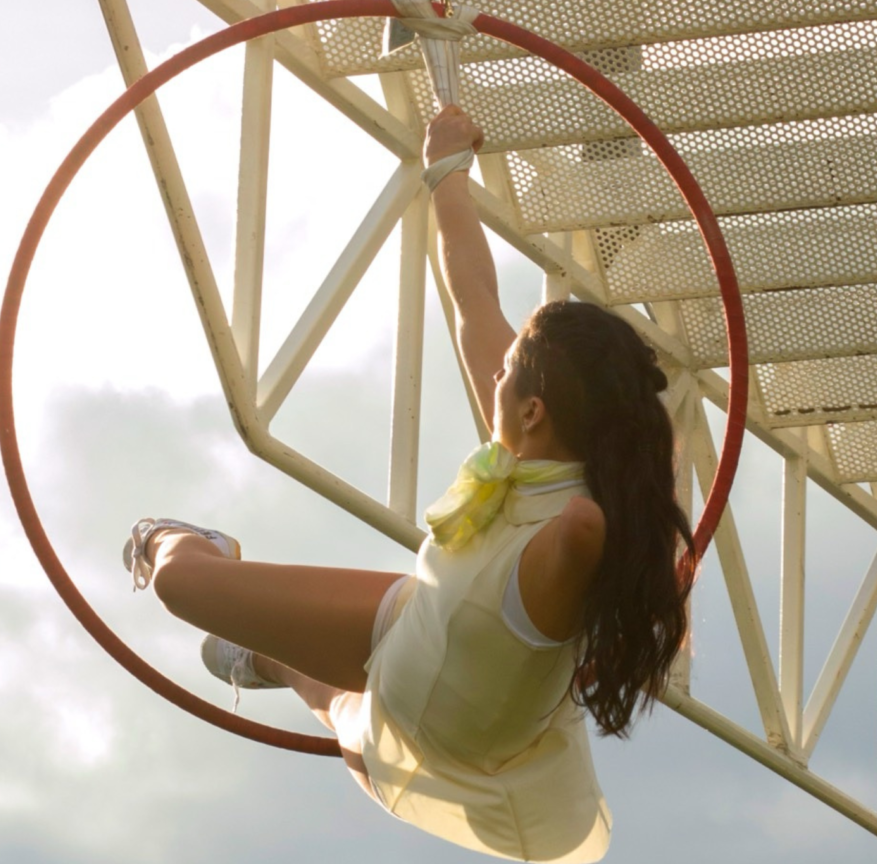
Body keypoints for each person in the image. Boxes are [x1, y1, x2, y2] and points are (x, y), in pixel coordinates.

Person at [123, 105, 697, 864]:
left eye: (509, 372)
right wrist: (446, 168)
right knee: (214, 604)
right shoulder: (530, 437)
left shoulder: (581, 525)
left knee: (184, 585)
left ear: (532, 408)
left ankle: (223, 600)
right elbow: (472, 300)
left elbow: (594, 543)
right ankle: (264, 644)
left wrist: (638, 550)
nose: (493, 375)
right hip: (425, 616)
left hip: (453, 730)